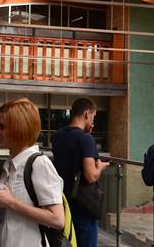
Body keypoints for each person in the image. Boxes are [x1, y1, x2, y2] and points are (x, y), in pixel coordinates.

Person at [0, 98, 65, 247]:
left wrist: (11, 203)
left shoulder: (39, 164)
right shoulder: (10, 164)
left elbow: (57, 220)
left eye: (2, 127)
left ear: (19, 129)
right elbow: (16, 215)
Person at [51, 97, 109, 247]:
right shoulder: (85, 138)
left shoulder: (58, 136)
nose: (92, 121)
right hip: (83, 207)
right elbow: (91, 176)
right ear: (87, 114)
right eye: (93, 117)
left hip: (63, 203)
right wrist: (101, 167)